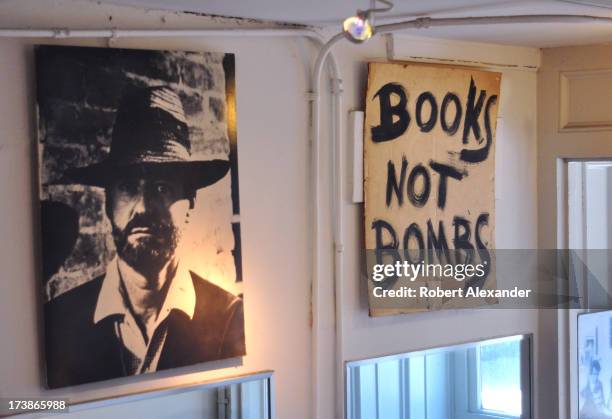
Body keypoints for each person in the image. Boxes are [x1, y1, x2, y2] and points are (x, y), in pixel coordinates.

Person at [44, 85, 245, 388]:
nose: (143, 207)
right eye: (127, 187)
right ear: (107, 202)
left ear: (189, 202)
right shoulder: (60, 317)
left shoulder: (230, 316)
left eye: (162, 187)